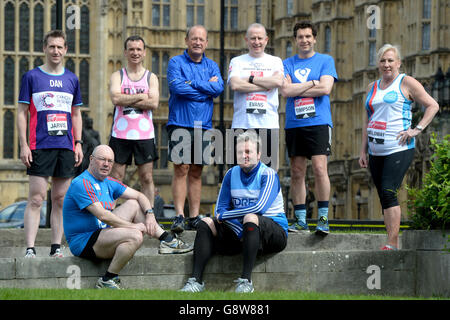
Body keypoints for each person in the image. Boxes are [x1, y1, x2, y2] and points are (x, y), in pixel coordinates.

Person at [63, 145, 193, 289]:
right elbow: (103, 215)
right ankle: (108, 279)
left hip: (102, 232)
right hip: (84, 241)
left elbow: (140, 195)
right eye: (102, 160)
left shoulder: (108, 182)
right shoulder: (82, 183)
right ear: (91, 160)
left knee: (133, 204)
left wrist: (150, 215)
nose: (106, 164)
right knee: (135, 236)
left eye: (110, 161)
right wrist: (133, 226)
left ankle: (167, 240)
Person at [179, 131, 288, 293]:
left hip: (273, 233)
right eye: (239, 152)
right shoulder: (231, 174)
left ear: (258, 155)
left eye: (248, 152)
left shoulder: (268, 174)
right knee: (206, 223)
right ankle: (196, 281)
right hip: (243, 232)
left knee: (251, 218)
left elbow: (259, 209)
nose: (244, 156)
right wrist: (237, 228)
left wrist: (225, 217)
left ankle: (246, 282)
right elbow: (220, 209)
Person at [358, 44, 439, 250]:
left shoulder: (406, 82)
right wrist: (363, 150)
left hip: (399, 148)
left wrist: (416, 129)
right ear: (378, 64)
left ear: (399, 63)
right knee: (383, 195)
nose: (387, 64)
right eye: (383, 61)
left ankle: (393, 243)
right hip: (376, 151)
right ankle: (389, 239)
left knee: (388, 190)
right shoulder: (371, 87)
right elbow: (367, 120)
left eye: (390, 60)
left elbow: (433, 105)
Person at [17, 30, 84, 258]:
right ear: (44, 48)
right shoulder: (32, 77)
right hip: (39, 145)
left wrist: (78, 143)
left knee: (60, 199)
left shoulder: (72, 79)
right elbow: (21, 112)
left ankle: (56, 247)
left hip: (65, 146)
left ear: (65, 50)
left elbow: (76, 114)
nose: (56, 51)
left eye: (60, 47)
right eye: (52, 47)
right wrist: (24, 144)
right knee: (36, 198)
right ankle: (30, 248)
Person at [280, 21, 338, 235]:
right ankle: (301, 219)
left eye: (308, 36)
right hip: (295, 123)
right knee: (296, 172)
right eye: (300, 37)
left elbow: (326, 88)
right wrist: (313, 84)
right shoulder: (287, 63)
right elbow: (285, 91)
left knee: (320, 168)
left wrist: (300, 88)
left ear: (314, 38)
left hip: (319, 122)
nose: (304, 40)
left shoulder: (325, 60)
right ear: (295, 40)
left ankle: (323, 218)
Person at [166, 25, 224, 233]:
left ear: (206, 43)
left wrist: (192, 84)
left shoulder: (212, 65)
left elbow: (218, 89)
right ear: (186, 41)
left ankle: (194, 216)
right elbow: (176, 87)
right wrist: (204, 88)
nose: (197, 42)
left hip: (203, 125)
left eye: (201, 39)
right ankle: (179, 215)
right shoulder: (175, 62)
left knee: (197, 171)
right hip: (180, 122)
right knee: (181, 169)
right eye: (194, 38)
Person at [109, 35, 159, 213]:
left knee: (146, 177)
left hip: (144, 135)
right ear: (125, 52)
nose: (135, 53)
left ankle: (149, 215)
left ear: (144, 53)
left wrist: (126, 99)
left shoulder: (151, 77)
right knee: (116, 177)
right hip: (120, 134)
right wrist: (140, 97)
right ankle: (109, 215)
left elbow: (153, 103)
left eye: (138, 49)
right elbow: (115, 98)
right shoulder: (118, 75)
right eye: (131, 49)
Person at [227, 23, 284, 169]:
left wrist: (250, 79)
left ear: (266, 40)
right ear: (246, 40)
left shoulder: (275, 61)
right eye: (253, 38)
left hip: (268, 124)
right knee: (238, 172)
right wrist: (266, 85)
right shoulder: (237, 61)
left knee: (268, 173)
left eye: (260, 38)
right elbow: (235, 85)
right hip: (241, 125)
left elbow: (278, 81)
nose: (256, 42)